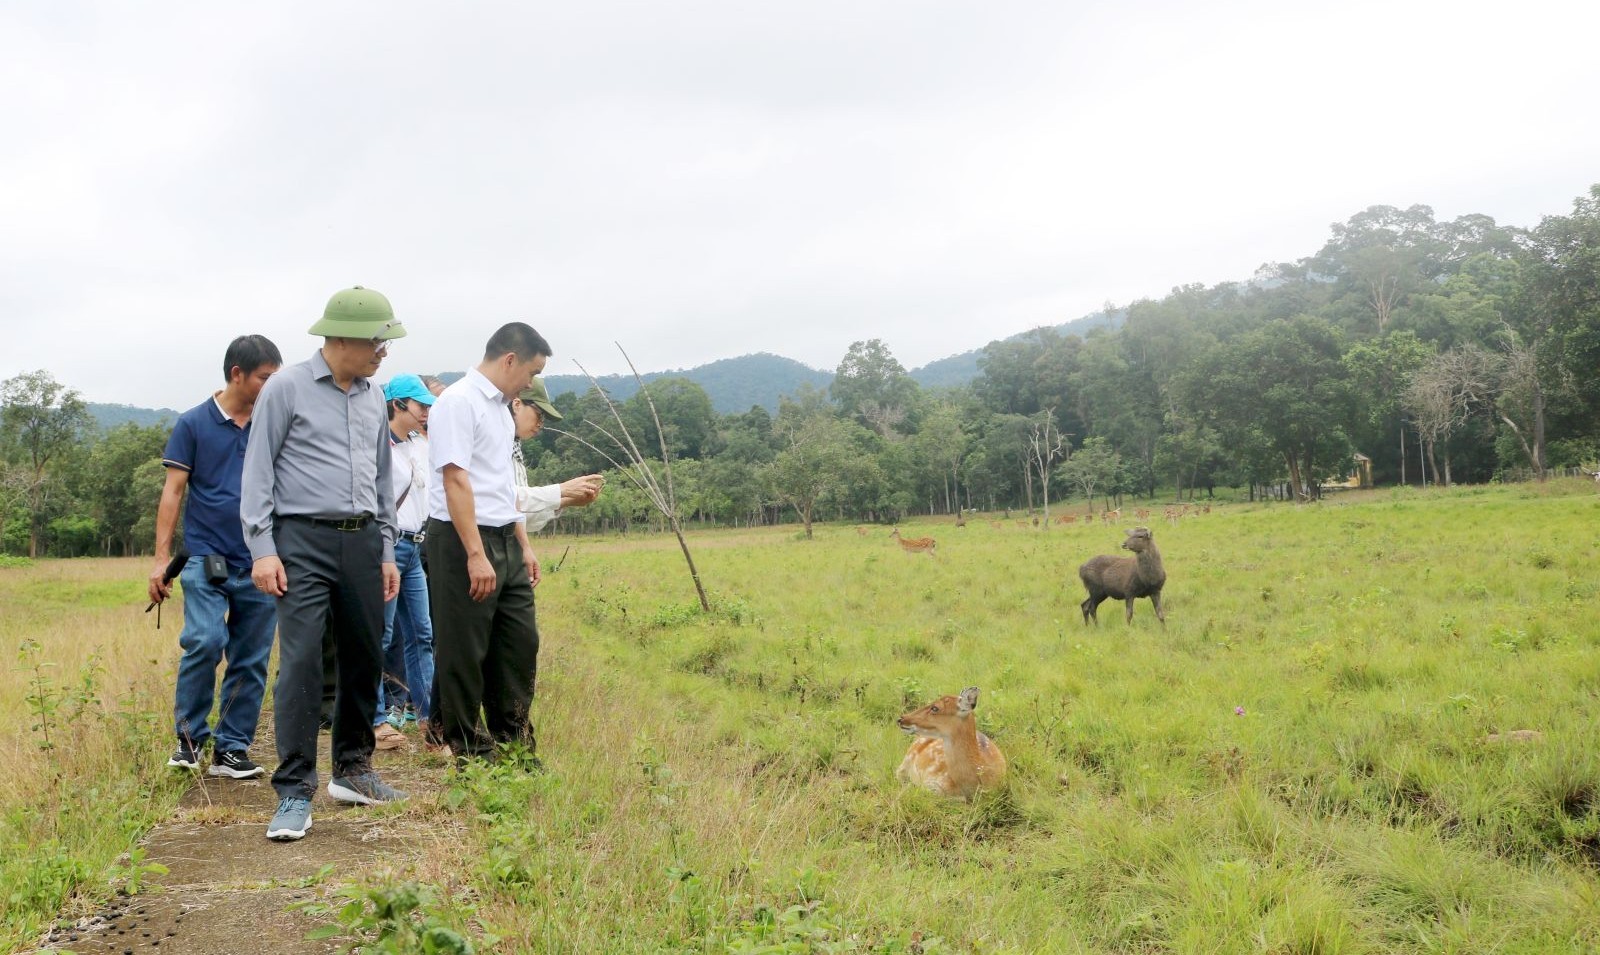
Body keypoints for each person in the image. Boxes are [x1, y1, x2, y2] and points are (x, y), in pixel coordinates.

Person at [241, 286, 407, 842]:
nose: (383, 352)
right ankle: (294, 789)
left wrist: (386, 550)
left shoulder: (373, 396)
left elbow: (382, 481)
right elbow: (258, 472)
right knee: (303, 660)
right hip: (301, 540)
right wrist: (263, 548)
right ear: (342, 338)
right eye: (377, 342)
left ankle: (354, 770)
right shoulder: (286, 388)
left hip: (362, 541)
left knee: (365, 654)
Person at [149, 335, 283, 779]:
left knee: (251, 656)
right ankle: (188, 740)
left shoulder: (272, 423)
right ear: (236, 374)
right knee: (205, 641)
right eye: (265, 378)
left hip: (261, 558)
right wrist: (160, 561)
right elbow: (173, 492)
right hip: (206, 556)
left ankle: (231, 749)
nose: (271, 386)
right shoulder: (193, 423)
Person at [424, 323, 551, 763]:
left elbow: (501, 485)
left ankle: (514, 742)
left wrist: (523, 544)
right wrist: (476, 554)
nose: (531, 383)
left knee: (519, 644)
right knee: (464, 649)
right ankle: (471, 753)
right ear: (510, 359)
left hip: (505, 537)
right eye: (532, 372)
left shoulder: (501, 410)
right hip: (463, 540)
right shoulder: (458, 402)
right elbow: (455, 480)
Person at [372, 373, 437, 750]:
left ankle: (430, 718)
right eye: (419, 405)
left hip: (414, 547)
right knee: (381, 635)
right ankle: (375, 719)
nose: (425, 412)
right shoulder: (376, 445)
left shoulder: (419, 445)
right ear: (397, 405)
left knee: (421, 634)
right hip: (387, 547)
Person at [509, 377, 603, 532]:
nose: (540, 424)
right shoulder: (493, 445)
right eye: (539, 414)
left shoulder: (514, 448)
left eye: (543, 419)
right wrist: (562, 490)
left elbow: (522, 517)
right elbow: (504, 500)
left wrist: (568, 500)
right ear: (517, 404)